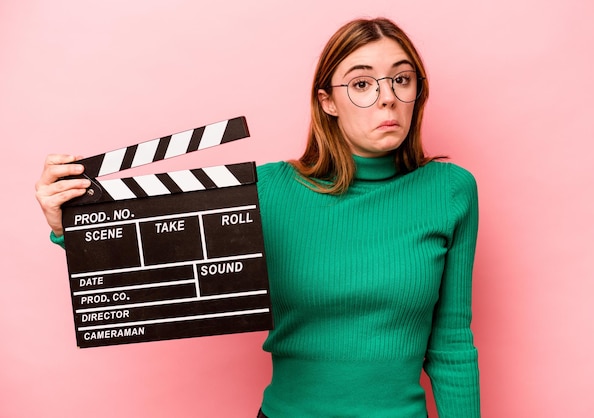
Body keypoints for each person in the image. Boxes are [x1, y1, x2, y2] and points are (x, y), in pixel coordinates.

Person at [36, 17, 480, 418]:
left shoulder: (450, 191)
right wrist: (67, 228)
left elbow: (452, 342)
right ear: (327, 101)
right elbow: (154, 255)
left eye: (401, 80)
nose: (388, 99)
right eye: (362, 85)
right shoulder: (268, 190)